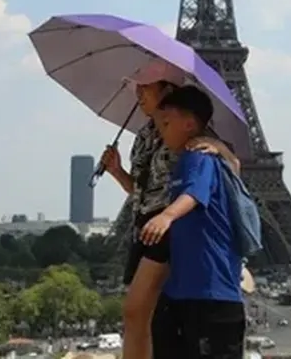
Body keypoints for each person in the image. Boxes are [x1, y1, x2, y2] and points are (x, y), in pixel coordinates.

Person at [98, 60, 240, 359]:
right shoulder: (143, 137)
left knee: (136, 311)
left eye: (145, 87)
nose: (138, 94)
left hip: (169, 226)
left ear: (167, 90)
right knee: (148, 317)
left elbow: (226, 169)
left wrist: (222, 149)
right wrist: (116, 171)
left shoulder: (188, 133)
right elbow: (141, 191)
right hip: (147, 225)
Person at [144, 85, 248, 359]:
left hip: (208, 296)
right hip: (187, 294)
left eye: (166, 123)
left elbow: (195, 194)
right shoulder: (190, 161)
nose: (161, 130)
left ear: (190, 124)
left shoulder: (199, 157)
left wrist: (166, 216)